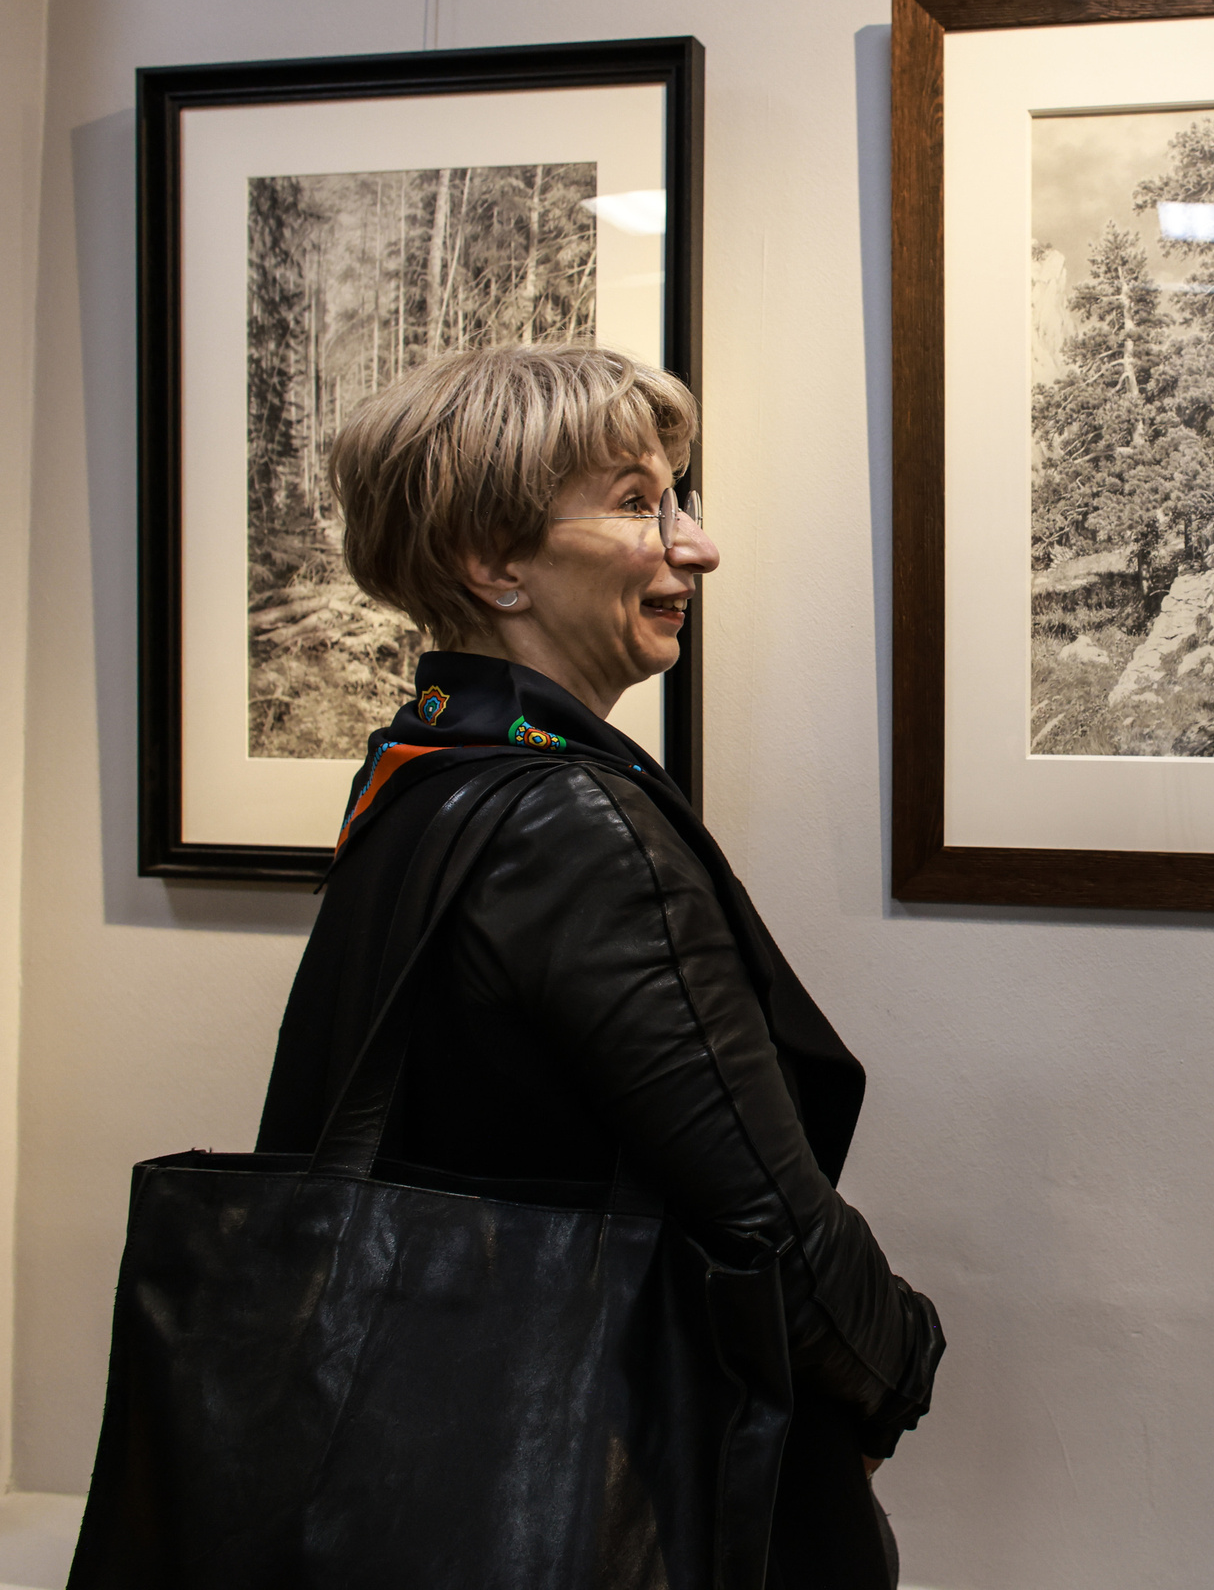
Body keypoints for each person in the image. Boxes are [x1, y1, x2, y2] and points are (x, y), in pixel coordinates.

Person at [257, 343, 942, 1586]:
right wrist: (899, 1363)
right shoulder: (566, 823)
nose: (696, 546)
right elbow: (767, 1221)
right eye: (637, 503)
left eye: (677, 499)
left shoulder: (424, 770)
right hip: (599, 1484)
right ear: (493, 559)